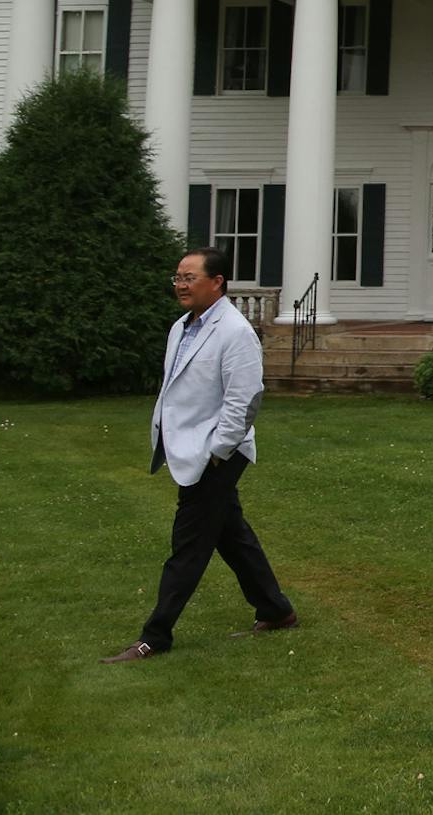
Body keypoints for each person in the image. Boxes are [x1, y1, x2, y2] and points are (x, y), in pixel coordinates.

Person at [104, 247, 296, 662]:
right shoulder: (181, 328)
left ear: (217, 282)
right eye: (177, 278)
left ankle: (155, 636)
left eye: (189, 278)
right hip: (192, 447)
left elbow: (245, 401)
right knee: (231, 535)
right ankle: (276, 610)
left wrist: (218, 452)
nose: (180, 285)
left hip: (219, 453)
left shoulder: (235, 332)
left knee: (188, 545)